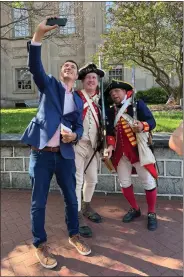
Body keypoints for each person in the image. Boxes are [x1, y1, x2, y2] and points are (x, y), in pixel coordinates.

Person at [21, 17, 91, 269]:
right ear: (61, 72)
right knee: (38, 202)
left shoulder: (80, 100)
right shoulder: (50, 85)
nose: (69, 68)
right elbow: (34, 66)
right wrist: (38, 35)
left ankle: (74, 234)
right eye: (66, 65)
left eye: (73, 66)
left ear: (77, 73)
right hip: (41, 154)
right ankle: (40, 243)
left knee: (72, 199)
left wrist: (75, 136)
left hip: (64, 156)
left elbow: (79, 126)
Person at [105, 80, 158, 231]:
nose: (114, 94)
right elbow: (110, 132)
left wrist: (142, 126)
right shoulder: (111, 111)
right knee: (124, 182)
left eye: (116, 91)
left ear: (124, 91)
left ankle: (152, 213)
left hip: (137, 152)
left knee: (148, 181)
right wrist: (110, 145)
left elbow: (151, 122)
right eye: (111, 93)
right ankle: (135, 209)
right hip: (120, 154)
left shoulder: (137, 105)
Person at [75, 63, 105, 238]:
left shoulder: (100, 101)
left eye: (94, 78)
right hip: (78, 144)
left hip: (94, 146)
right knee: (77, 181)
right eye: (88, 78)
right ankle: (76, 214)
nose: (91, 80)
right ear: (83, 81)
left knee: (92, 179)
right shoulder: (76, 97)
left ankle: (86, 205)